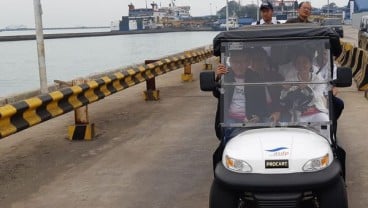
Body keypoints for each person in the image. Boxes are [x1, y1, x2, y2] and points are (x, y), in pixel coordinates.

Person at [282, 49, 329, 122]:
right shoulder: (290, 79)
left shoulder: (317, 79)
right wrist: (285, 89)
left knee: (326, 121)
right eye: (298, 63)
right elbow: (283, 98)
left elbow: (318, 96)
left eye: (305, 62)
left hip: (316, 112)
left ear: (310, 64)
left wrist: (307, 87)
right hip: (298, 114)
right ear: (295, 65)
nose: (301, 65)